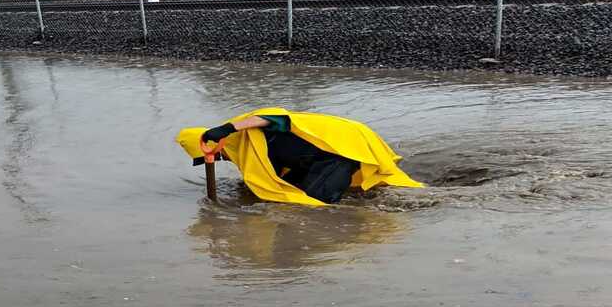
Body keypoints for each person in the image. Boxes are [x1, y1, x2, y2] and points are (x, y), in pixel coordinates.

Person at [176, 107, 425, 206]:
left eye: (215, 157)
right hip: (317, 157)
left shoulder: (248, 129)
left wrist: (230, 128)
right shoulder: (247, 148)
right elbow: (271, 175)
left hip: (339, 150)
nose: (221, 160)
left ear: (215, 145)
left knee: (314, 207)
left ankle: (406, 204)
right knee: (295, 192)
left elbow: (278, 118)